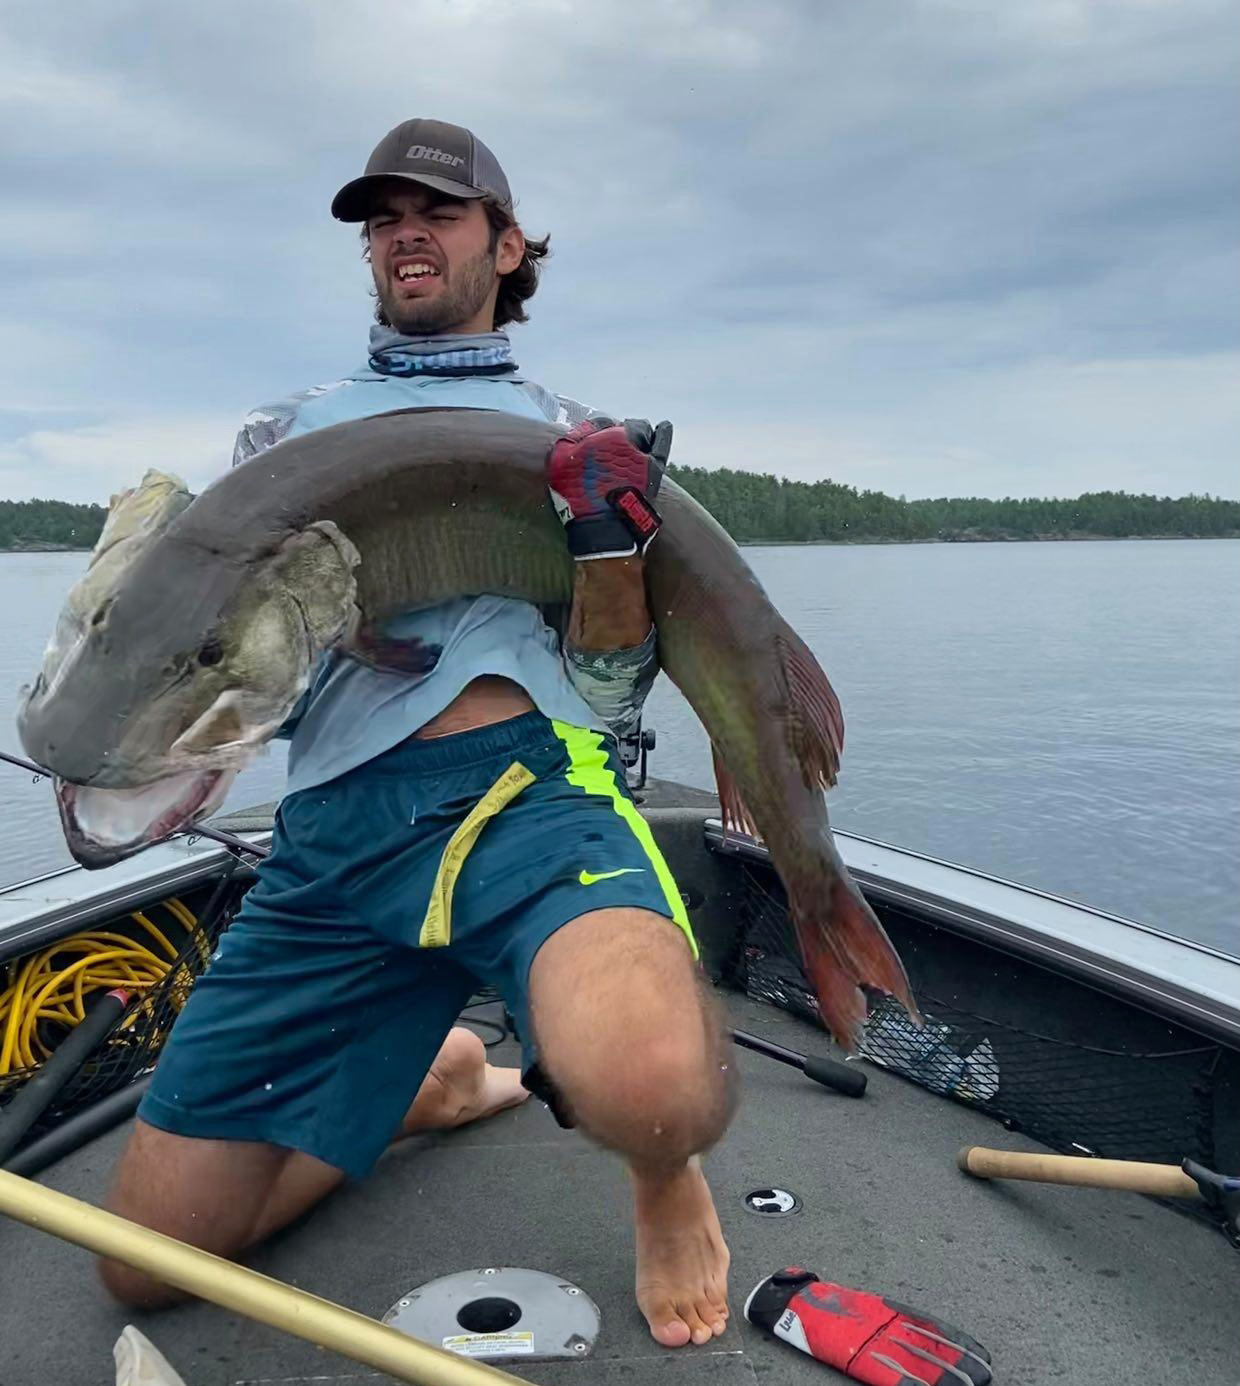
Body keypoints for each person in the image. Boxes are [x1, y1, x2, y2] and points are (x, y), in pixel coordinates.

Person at [99, 118, 737, 1349]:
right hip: (331, 842)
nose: (405, 234)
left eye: (436, 214)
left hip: (528, 803)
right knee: (144, 1264)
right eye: (383, 219)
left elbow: (607, 694)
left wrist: (610, 550)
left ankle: (664, 1179)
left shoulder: (580, 432)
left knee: (653, 1090)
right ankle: (434, 1081)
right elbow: (248, 671)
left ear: (505, 247)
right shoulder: (282, 436)